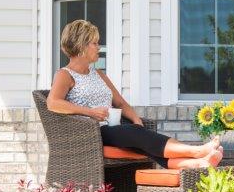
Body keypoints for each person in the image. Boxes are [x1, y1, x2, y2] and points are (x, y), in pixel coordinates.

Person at [47, 19, 223, 169]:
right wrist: (91, 112)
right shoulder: (65, 74)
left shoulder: (99, 74)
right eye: (94, 43)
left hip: (113, 129)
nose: (98, 47)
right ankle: (197, 151)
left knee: (140, 139)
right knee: (135, 135)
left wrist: (136, 120)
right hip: (91, 134)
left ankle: (197, 163)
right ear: (81, 46)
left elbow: (121, 104)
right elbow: (53, 103)